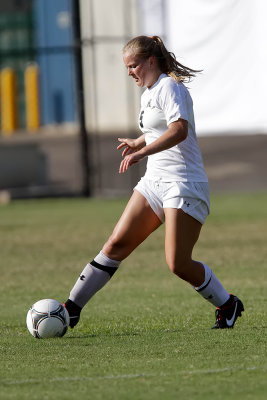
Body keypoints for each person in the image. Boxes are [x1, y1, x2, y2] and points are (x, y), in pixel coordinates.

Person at [64, 35, 244, 330]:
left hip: (183, 183)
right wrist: (139, 141)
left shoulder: (169, 87)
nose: (130, 72)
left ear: (151, 61)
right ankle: (70, 308)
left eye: (133, 65)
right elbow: (158, 129)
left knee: (177, 263)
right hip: (155, 181)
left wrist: (142, 152)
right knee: (116, 244)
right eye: (127, 67)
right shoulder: (148, 92)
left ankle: (227, 304)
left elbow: (179, 130)